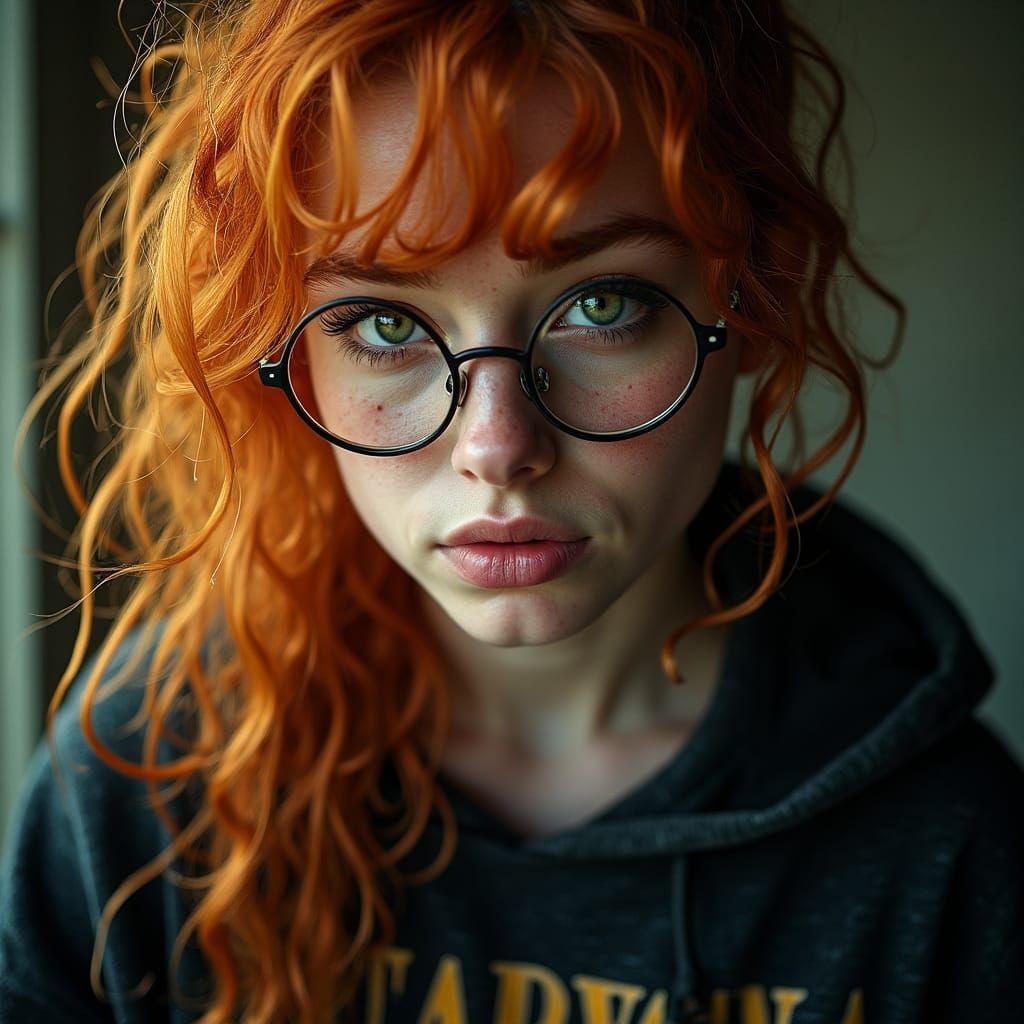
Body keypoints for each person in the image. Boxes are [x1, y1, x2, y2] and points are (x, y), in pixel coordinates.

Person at [1, 1, 1021, 1022]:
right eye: (384, 321)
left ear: (753, 292)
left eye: (602, 305)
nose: (496, 447)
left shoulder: (943, 845)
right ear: (292, 341)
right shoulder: (145, 789)